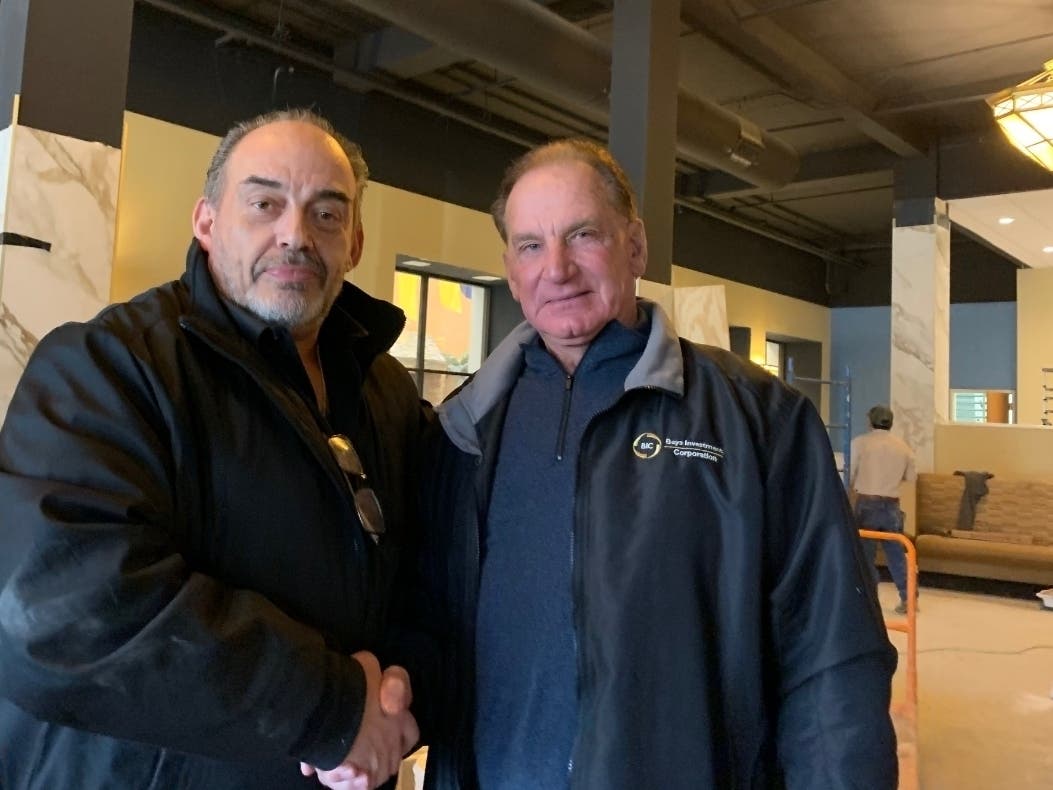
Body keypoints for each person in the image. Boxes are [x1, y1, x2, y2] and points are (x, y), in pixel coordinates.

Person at [410, 139, 900, 789]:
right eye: (530, 245)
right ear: (509, 268)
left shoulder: (759, 419)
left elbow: (832, 658)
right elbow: (426, 626)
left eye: (582, 235)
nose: (556, 268)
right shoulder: (462, 429)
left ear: (635, 246)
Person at [0, 109, 425, 789]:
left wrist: (404, 692)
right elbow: (61, 613)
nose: (295, 234)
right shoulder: (109, 366)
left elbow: (423, 572)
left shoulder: (386, 392)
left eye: (326, 214)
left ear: (354, 242)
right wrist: (332, 708)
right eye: (264, 204)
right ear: (205, 221)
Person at [850, 404, 918, 615]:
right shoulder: (903, 447)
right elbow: (911, 477)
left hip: (866, 503)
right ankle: (909, 599)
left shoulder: (860, 443)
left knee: (865, 556)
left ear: (870, 421)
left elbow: (850, 475)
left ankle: (868, 601)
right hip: (892, 505)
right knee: (897, 554)